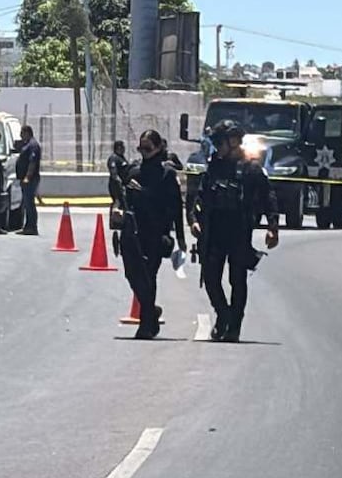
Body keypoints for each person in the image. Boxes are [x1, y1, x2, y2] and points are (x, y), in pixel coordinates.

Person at [186, 119, 280, 343]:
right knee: (210, 277)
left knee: (237, 279)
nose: (218, 147)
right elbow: (200, 196)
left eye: (221, 142)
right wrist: (194, 220)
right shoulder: (214, 166)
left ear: (234, 141)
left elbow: (269, 197)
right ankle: (223, 314)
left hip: (239, 229)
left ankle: (234, 325)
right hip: (214, 229)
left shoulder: (251, 168)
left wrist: (272, 226)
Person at [115, 130, 188, 339]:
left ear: (158, 148)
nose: (144, 152)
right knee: (132, 275)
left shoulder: (166, 175)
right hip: (133, 231)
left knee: (149, 276)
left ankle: (147, 323)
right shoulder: (134, 172)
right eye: (141, 148)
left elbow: (175, 207)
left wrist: (181, 238)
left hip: (156, 232)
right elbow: (123, 199)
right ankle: (151, 310)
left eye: (148, 148)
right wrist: (118, 210)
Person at [14, 125, 42, 235]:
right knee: (26, 203)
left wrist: (27, 177)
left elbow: (32, 162)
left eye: (22, 133)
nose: (20, 135)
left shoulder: (33, 145)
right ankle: (27, 226)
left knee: (29, 203)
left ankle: (32, 227)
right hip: (26, 178)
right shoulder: (27, 144)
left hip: (30, 179)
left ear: (27, 132)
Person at [107, 141, 130, 205]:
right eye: (123, 147)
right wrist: (119, 184)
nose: (124, 149)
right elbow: (113, 173)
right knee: (118, 204)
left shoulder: (122, 158)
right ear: (119, 147)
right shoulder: (113, 158)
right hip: (116, 186)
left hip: (124, 185)